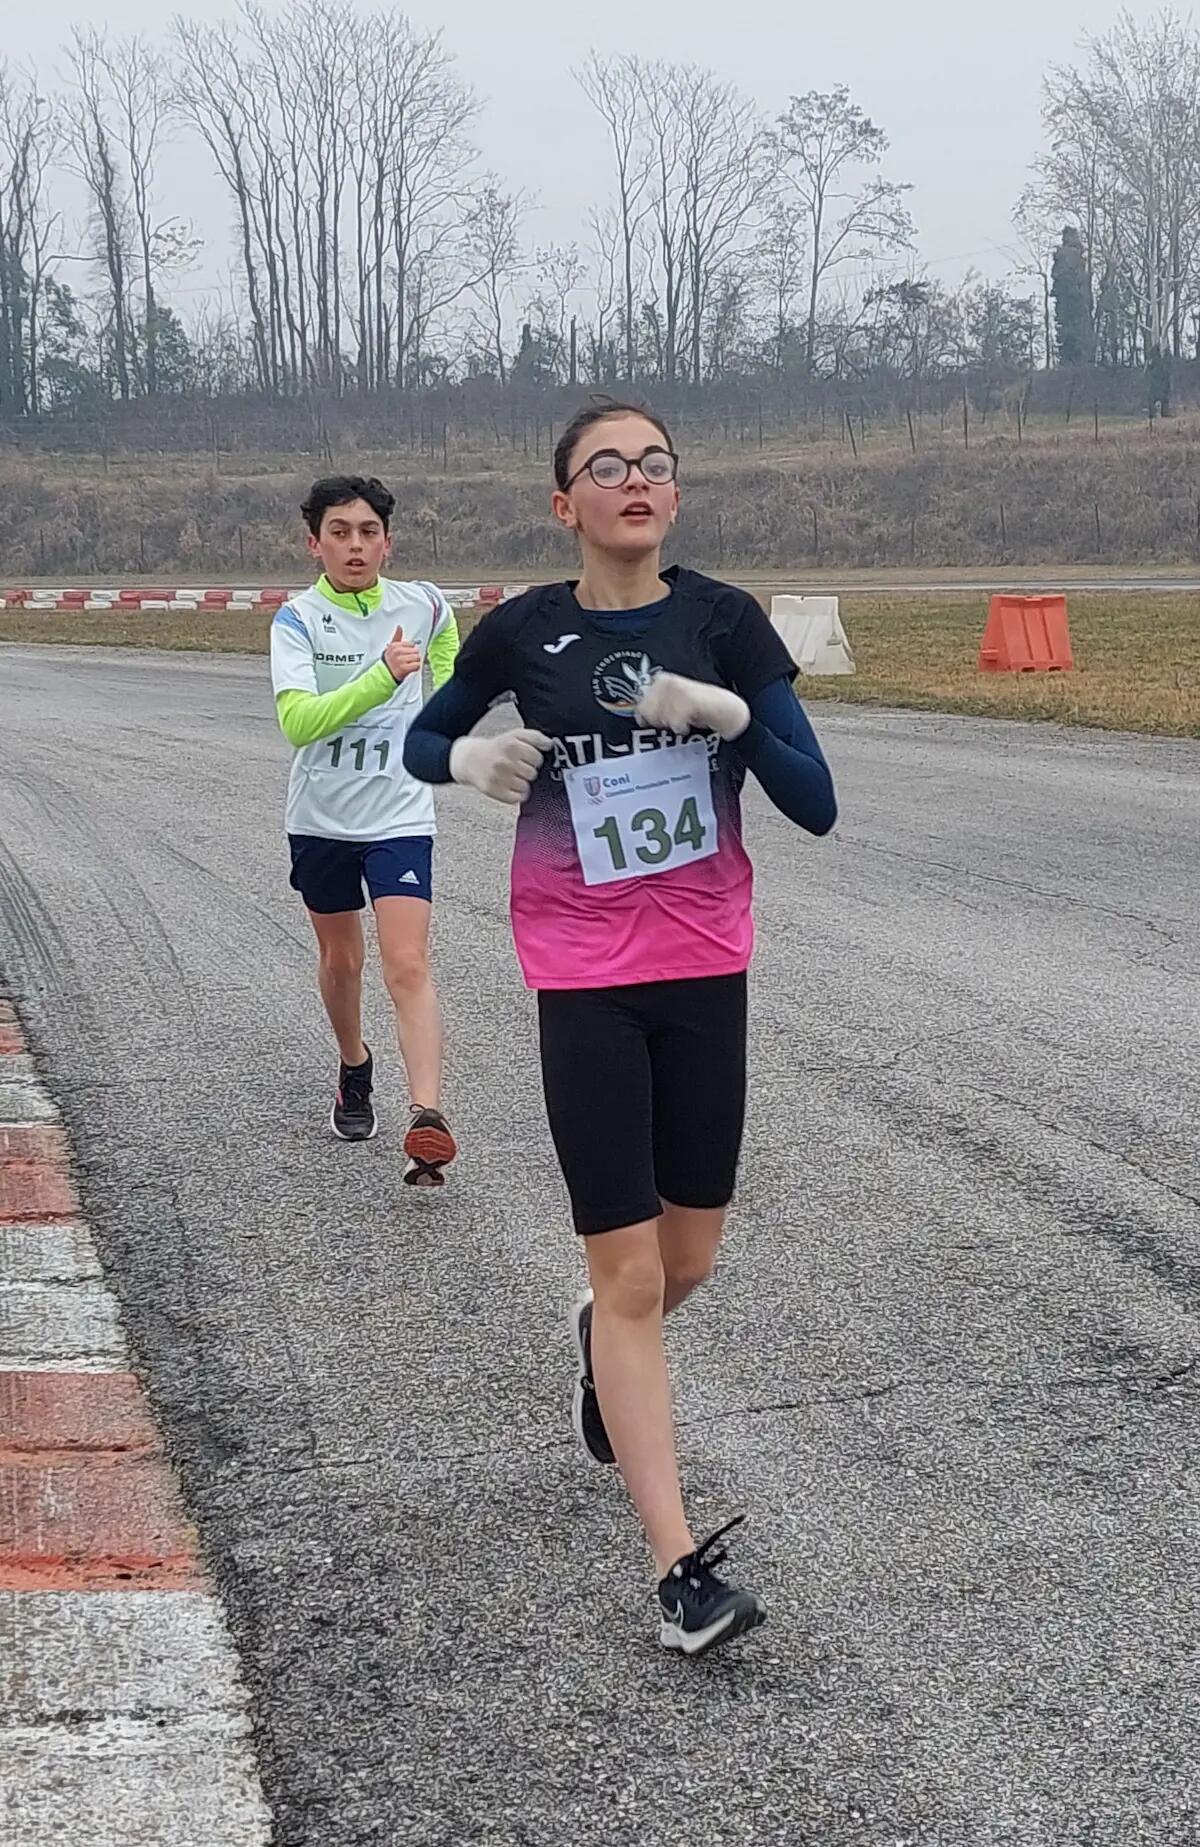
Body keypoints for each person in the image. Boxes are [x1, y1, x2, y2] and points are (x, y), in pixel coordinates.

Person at [404, 403, 837, 1653]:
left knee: (686, 1260)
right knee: (633, 1267)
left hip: (706, 969)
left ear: (676, 498)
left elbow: (814, 804)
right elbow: (430, 731)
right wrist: (463, 762)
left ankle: (602, 1348)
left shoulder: (725, 620)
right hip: (583, 975)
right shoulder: (522, 629)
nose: (636, 480)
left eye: (656, 465)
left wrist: (737, 720)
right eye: (609, 466)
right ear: (564, 502)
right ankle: (680, 1568)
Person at [270, 473, 460, 1186]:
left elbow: (447, 649)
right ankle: (355, 1064)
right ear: (314, 543)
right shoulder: (296, 621)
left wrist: (443, 712)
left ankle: (426, 1117)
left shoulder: (424, 601)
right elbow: (300, 722)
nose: (356, 545)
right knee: (342, 961)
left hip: (400, 813)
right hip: (321, 816)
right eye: (340, 533)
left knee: (407, 962)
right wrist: (382, 677)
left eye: (369, 532)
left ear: (388, 541)